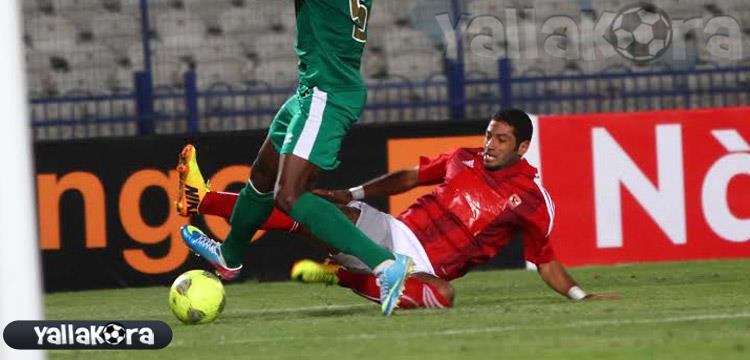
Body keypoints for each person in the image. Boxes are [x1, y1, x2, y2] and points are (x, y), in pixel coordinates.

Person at [177, 109, 620, 309]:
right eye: (488, 135)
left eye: (500, 139)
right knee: (298, 205)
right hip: (390, 232)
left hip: (424, 269)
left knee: (444, 297)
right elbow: (409, 177)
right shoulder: (461, 159)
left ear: (522, 147)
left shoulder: (531, 199)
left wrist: (581, 296)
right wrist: (354, 194)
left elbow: (544, 260)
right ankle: (202, 199)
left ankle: (345, 275)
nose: (489, 145)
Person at [176, 0, 413, 316]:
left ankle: (385, 264)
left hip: (326, 95)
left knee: (289, 194)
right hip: (312, 89)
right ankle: (229, 256)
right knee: (263, 174)